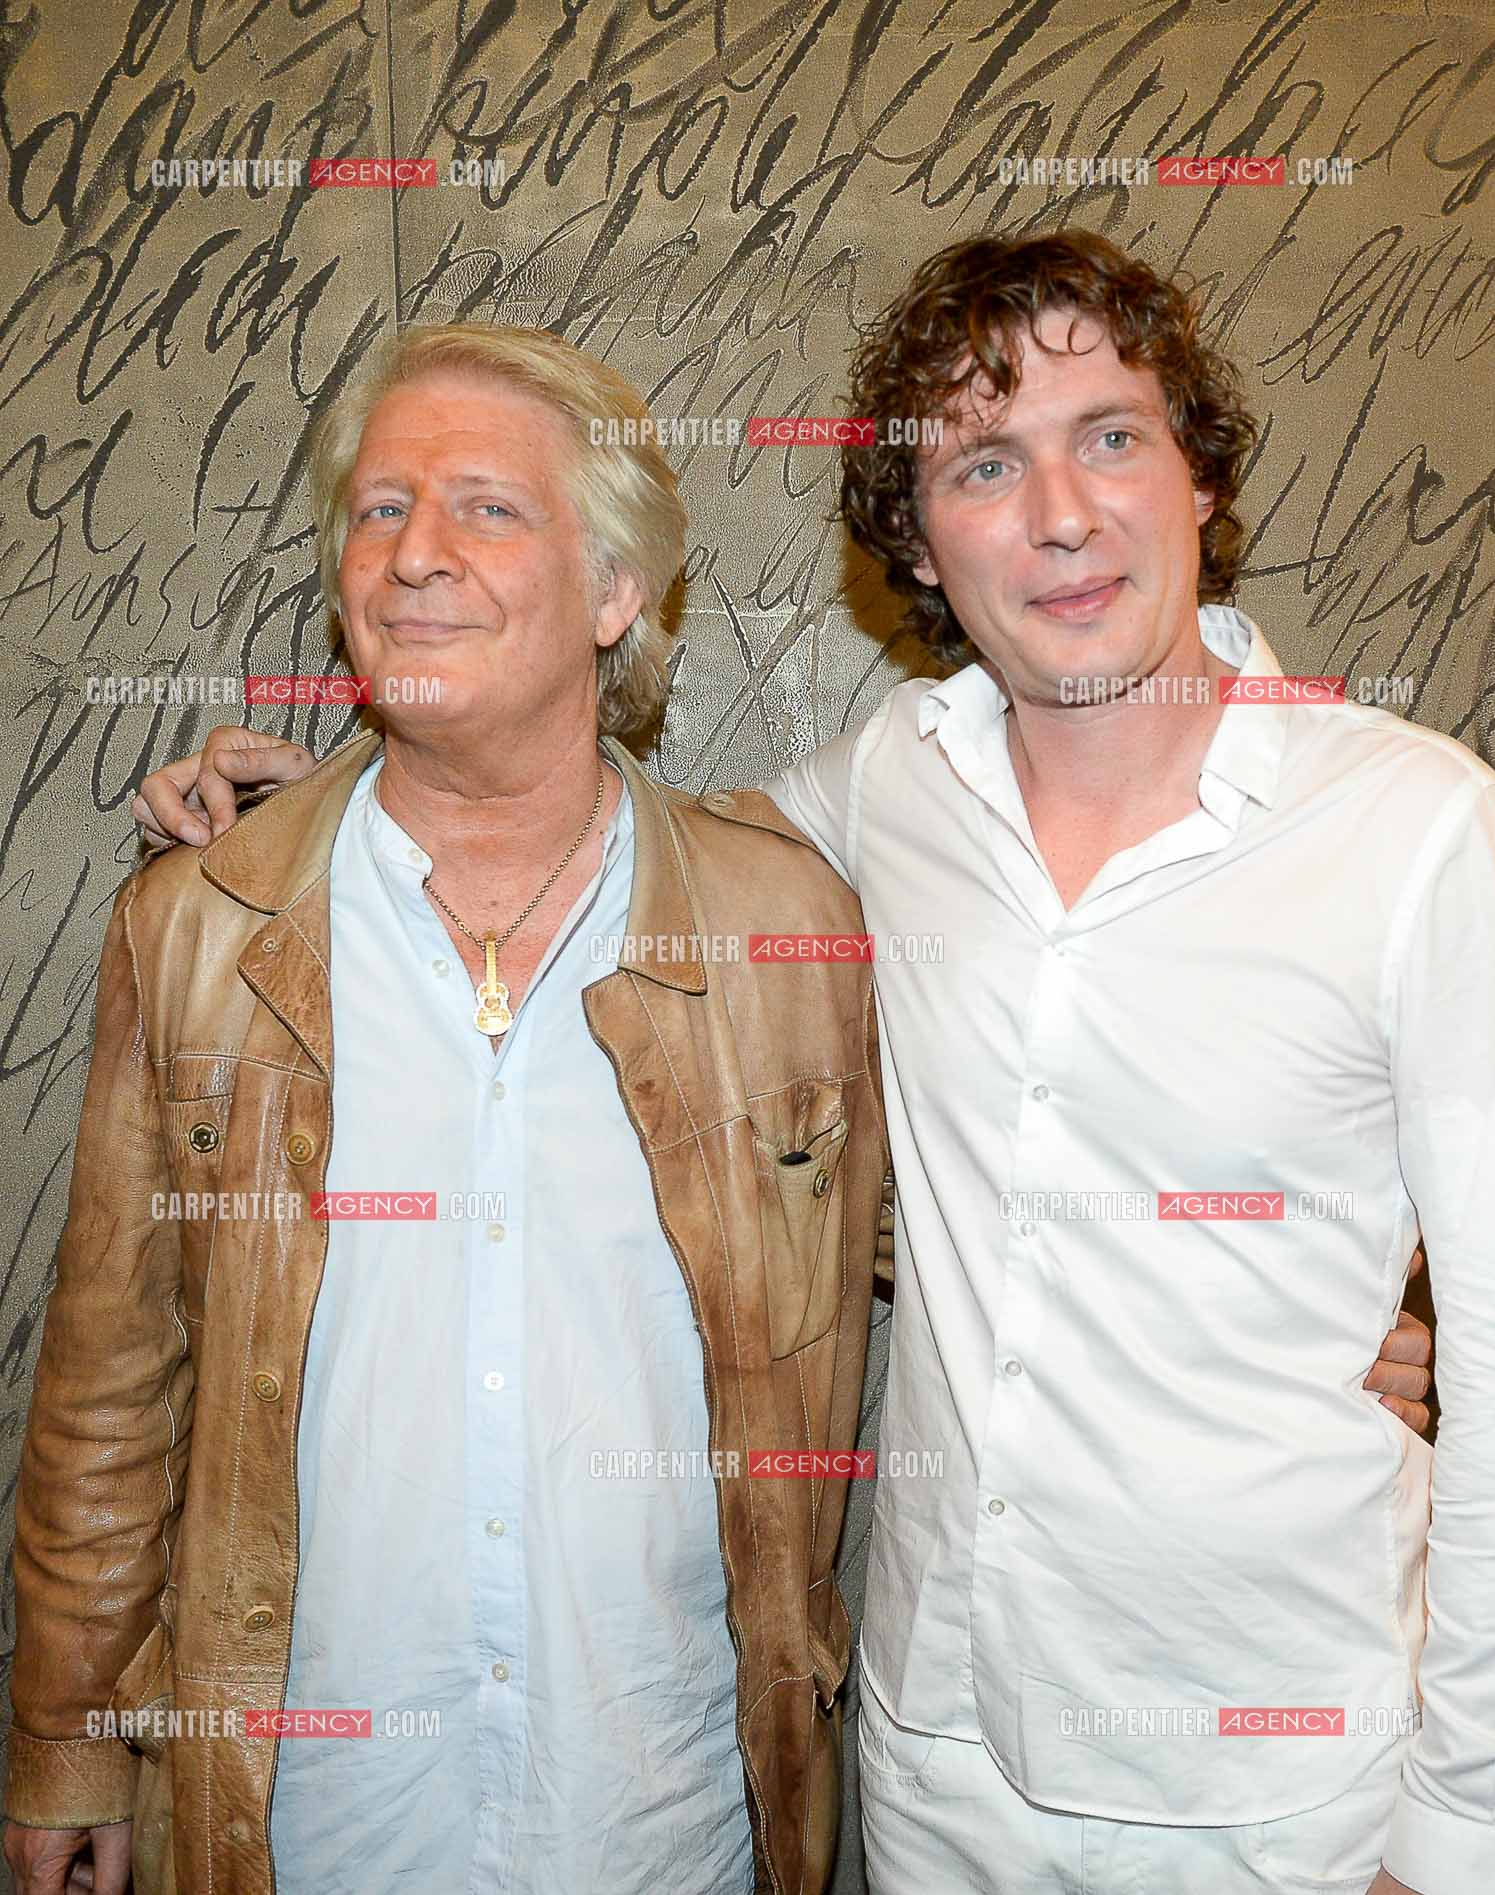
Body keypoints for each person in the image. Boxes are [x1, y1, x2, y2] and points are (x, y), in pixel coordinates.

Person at [114, 245, 1445, 1895]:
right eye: (981, 462)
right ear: (922, 543)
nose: (1058, 513)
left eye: (1111, 437)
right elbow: (581, 835)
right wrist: (336, 813)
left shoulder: (1419, 825)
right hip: (943, 1762)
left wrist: (1457, 1828)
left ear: (1203, 475)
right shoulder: (894, 788)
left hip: (1293, 1781)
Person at [3, 322, 891, 1895]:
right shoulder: (199, 926)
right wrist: (68, 1739)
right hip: (305, 1819)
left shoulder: (785, 934)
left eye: (487, 506)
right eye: (378, 508)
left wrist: (1379, 1316)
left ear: (618, 594)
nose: (414, 553)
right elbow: (108, 1390)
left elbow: (966, 1240)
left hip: (666, 1813)